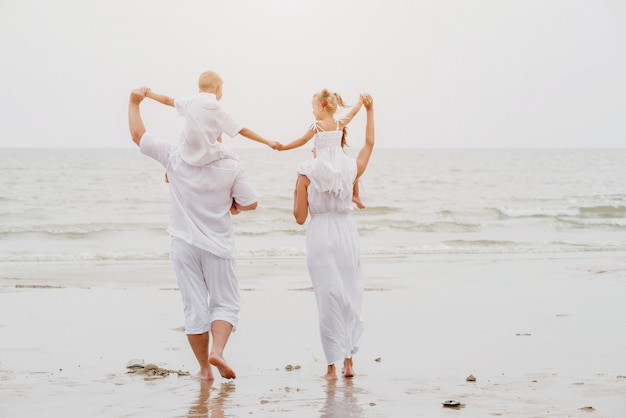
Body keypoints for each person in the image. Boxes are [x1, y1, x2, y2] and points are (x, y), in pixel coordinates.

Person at [128, 87, 259, 381]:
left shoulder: (174, 155)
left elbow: (138, 135)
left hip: (184, 244)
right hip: (219, 245)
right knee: (226, 302)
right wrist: (233, 206)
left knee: (194, 305)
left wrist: (134, 102)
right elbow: (251, 202)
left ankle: (204, 369)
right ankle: (219, 352)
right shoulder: (231, 162)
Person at [292, 93, 375, 380]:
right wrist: (370, 110)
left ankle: (331, 368)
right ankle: (349, 363)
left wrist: (297, 192)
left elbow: (300, 217)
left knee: (327, 299)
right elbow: (369, 144)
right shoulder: (350, 168)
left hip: (320, 235)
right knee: (350, 294)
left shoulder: (306, 172)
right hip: (346, 234)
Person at [145, 70, 278, 167]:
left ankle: (170, 171)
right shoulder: (218, 109)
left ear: (199, 90)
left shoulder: (191, 102)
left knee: (179, 146)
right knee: (235, 159)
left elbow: (167, 100)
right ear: (218, 88)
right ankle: (233, 199)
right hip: (206, 154)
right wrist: (267, 142)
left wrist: (149, 94)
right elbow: (242, 130)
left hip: (185, 154)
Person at [278, 89, 366, 209]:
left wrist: (284, 147)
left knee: (303, 170)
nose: (313, 111)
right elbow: (353, 113)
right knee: (351, 167)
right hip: (338, 161)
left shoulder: (317, 126)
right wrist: (360, 102)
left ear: (320, 107)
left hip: (323, 163)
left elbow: (303, 140)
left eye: (313, 108)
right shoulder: (339, 124)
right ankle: (355, 195)